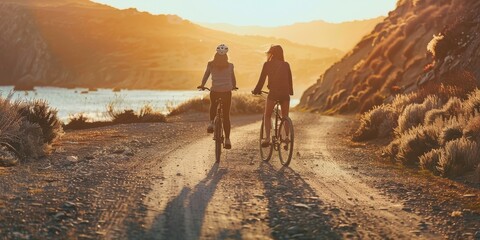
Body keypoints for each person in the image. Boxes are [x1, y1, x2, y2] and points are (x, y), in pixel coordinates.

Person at [252, 45, 293, 147]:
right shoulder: (286, 64)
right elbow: (290, 80)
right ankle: (286, 138)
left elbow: (261, 80)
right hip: (285, 93)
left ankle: (267, 138)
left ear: (272, 53)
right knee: (285, 116)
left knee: (267, 115)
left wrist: (256, 91)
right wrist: (290, 92)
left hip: (274, 93)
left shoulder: (267, 65)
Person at [198, 44, 237, 149]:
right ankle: (228, 140)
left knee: (213, 106)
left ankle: (211, 123)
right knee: (226, 116)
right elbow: (233, 78)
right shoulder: (230, 65)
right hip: (226, 93)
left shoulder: (210, 64)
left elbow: (206, 75)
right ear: (226, 57)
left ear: (215, 55)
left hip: (215, 91)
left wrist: (202, 85)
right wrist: (234, 86)